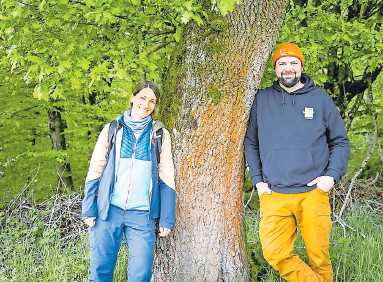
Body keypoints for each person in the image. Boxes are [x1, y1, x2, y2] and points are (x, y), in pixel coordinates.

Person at [244, 42, 349, 282]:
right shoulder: (262, 99)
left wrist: (330, 177)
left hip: (313, 193)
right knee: (274, 252)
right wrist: (258, 182)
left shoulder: (320, 99)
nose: (288, 68)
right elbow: (251, 142)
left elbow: (340, 141)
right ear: (275, 68)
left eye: (293, 63)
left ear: (301, 66)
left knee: (319, 257)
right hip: (274, 194)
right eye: (282, 63)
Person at [81, 81, 176, 282]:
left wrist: (167, 218)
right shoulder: (113, 129)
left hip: (142, 216)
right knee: (100, 272)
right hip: (108, 211)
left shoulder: (160, 135)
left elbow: (167, 176)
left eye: (152, 101)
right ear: (133, 98)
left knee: (140, 274)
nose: (146, 104)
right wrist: (89, 208)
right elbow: (95, 169)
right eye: (142, 98)